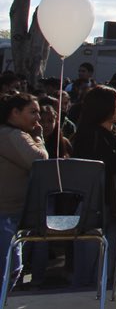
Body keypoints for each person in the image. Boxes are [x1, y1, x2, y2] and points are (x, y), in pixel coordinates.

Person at [70, 85, 116, 288]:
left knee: (109, 259)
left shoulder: (111, 134)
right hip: (94, 205)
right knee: (90, 261)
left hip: (112, 205)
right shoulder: (90, 135)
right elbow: (107, 167)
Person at [0, 93, 47, 287]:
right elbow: (39, 161)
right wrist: (39, 139)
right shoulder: (10, 135)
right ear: (15, 112)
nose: (38, 118)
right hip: (5, 214)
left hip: (13, 212)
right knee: (8, 269)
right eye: (33, 112)